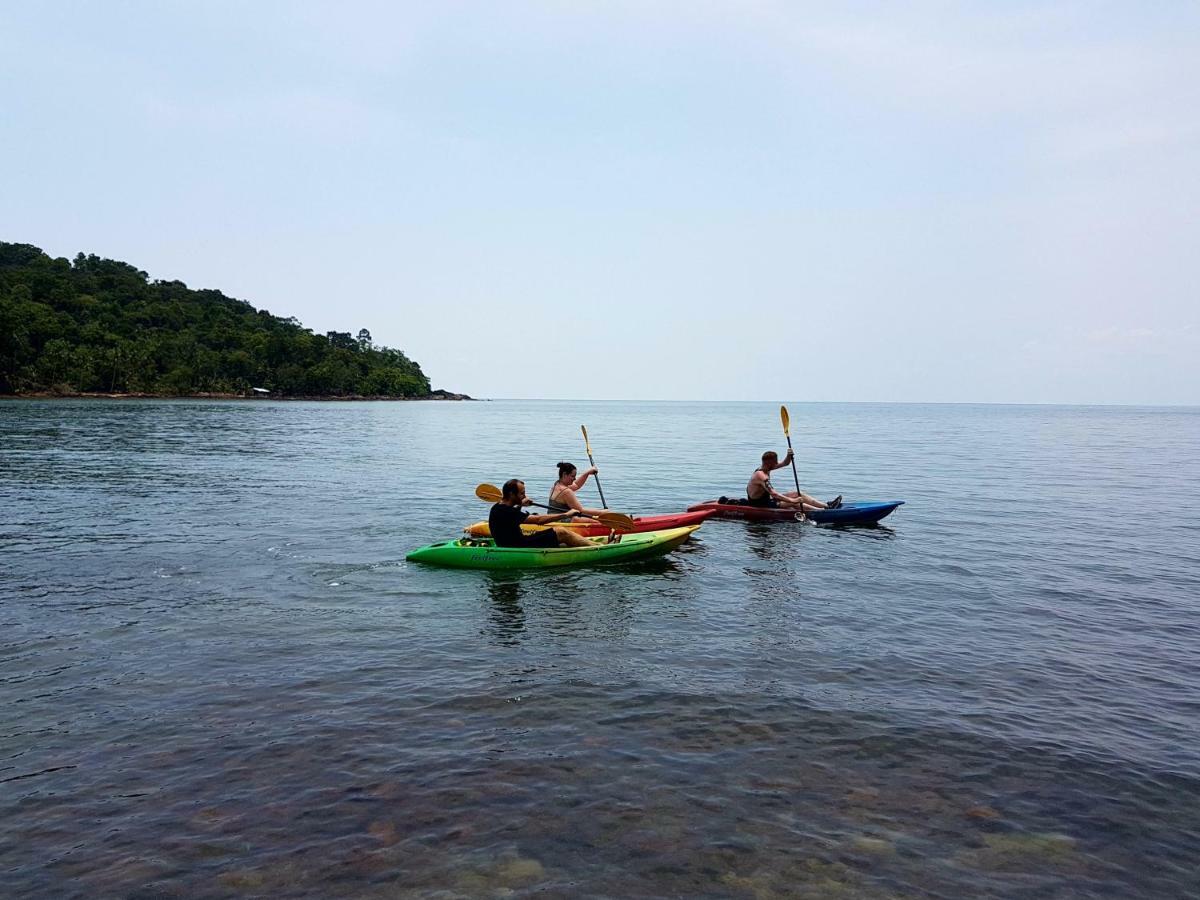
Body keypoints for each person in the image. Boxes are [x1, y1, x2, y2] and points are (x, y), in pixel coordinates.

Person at [489, 478, 593, 548]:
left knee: (562, 541)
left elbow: (512, 515)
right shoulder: (508, 511)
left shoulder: (497, 507)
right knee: (561, 532)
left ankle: (587, 544)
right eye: (522, 494)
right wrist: (566, 514)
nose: (525, 496)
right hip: (518, 546)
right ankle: (598, 547)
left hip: (513, 542)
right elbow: (539, 520)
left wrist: (521, 504)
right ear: (511, 494)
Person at [747, 450, 842, 513]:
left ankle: (827, 506)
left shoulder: (767, 468)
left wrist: (789, 455)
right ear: (768, 462)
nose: (776, 463)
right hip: (760, 504)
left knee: (798, 493)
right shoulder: (761, 475)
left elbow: (785, 463)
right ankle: (821, 511)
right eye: (775, 462)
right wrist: (793, 500)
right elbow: (774, 494)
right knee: (795, 502)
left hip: (766, 500)